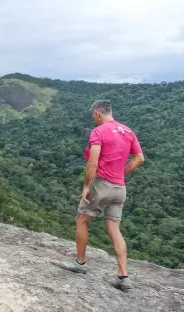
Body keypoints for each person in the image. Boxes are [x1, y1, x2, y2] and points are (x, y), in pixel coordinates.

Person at [60, 100, 145, 291]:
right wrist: (122, 173)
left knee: (82, 220)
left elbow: (93, 162)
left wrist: (86, 186)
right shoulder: (128, 131)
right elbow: (139, 158)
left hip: (102, 185)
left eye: (93, 116)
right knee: (114, 229)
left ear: (98, 113)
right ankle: (123, 277)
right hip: (120, 188)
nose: (93, 119)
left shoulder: (98, 132)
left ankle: (80, 263)